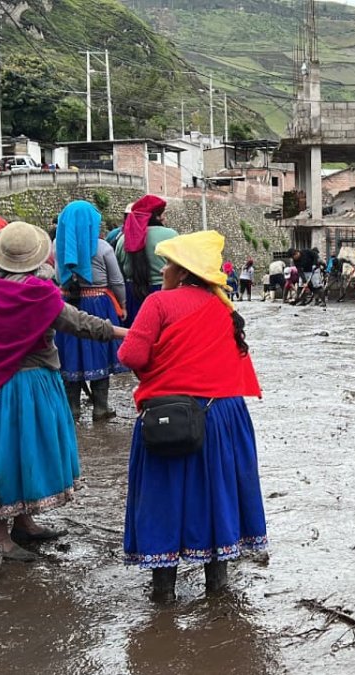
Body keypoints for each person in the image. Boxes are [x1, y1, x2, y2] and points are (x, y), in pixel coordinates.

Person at [0, 221, 128, 561]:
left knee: (4, 451)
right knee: (20, 452)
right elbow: (78, 323)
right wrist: (124, 332)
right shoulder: (38, 295)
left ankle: (22, 523)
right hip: (30, 384)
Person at [117, 230, 266, 602]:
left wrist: (154, 363)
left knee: (164, 496)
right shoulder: (225, 309)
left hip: (170, 415)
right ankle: (218, 590)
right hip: (223, 416)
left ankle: (163, 595)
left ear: (183, 272)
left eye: (168, 264)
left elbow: (131, 357)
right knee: (216, 495)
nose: (163, 270)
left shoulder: (158, 303)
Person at [54, 200, 128, 419]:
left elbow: (57, 276)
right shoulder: (103, 247)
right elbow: (117, 281)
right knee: (99, 351)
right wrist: (122, 304)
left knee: (70, 355)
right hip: (98, 304)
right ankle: (100, 407)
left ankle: (73, 408)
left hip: (67, 304)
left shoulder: (58, 245)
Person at [115, 195, 175, 326]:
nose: (165, 218)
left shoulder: (123, 239)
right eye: (163, 214)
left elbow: (118, 273)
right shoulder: (171, 235)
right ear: (157, 216)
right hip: (165, 293)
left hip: (132, 294)